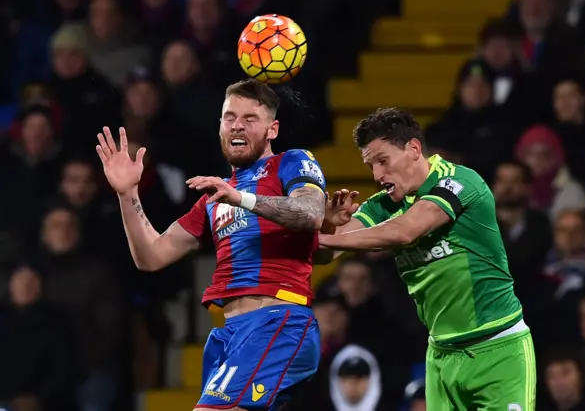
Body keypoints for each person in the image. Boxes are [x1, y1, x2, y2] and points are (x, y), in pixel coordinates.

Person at [96, 79, 326, 411]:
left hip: (278, 320)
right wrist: (127, 193)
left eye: (250, 119)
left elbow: (311, 212)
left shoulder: (290, 163)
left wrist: (242, 198)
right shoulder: (214, 198)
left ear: (272, 129)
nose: (237, 125)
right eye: (230, 117)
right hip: (230, 333)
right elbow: (152, 255)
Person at [318, 108, 536, 410]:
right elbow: (325, 255)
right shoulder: (384, 205)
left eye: (383, 161)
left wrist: (324, 236)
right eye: (370, 166)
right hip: (441, 355)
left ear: (414, 149)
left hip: (497, 348)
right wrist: (329, 226)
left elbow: (406, 231)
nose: (377, 175)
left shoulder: (460, 181)